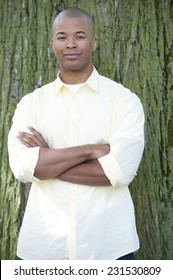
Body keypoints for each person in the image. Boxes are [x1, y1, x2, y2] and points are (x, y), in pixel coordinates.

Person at [8, 7, 145, 260]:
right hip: (43, 249)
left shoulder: (123, 101)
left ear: (93, 43)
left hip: (108, 247)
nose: (71, 44)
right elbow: (22, 167)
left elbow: (119, 172)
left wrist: (48, 160)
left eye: (80, 36)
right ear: (53, 43)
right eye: (62, 37)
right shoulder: (32, 103)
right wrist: (90, 151)